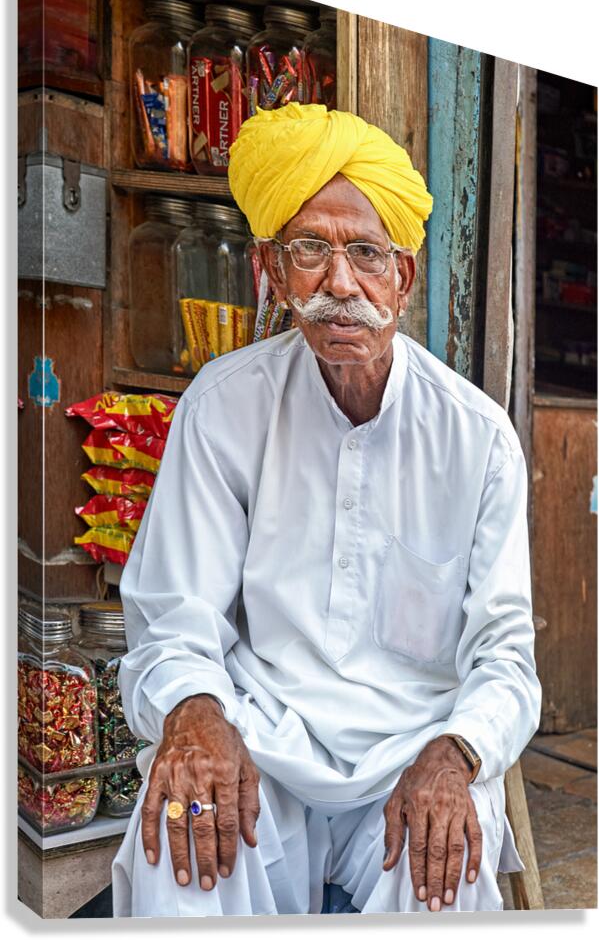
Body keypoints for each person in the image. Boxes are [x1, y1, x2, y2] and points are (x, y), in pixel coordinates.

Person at [111, 104, 541, 917]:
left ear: (402, 280)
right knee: (181, 830)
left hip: (408, 756)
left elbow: (503, 659)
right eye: (311, 249)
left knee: (444, 861)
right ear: (272, 270)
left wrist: (456, 751)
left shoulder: (477, 439)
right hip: (259, 742)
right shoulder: (224, 406)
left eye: (367, 255)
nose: (339, 284)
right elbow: (174, 618)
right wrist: (196, 713)